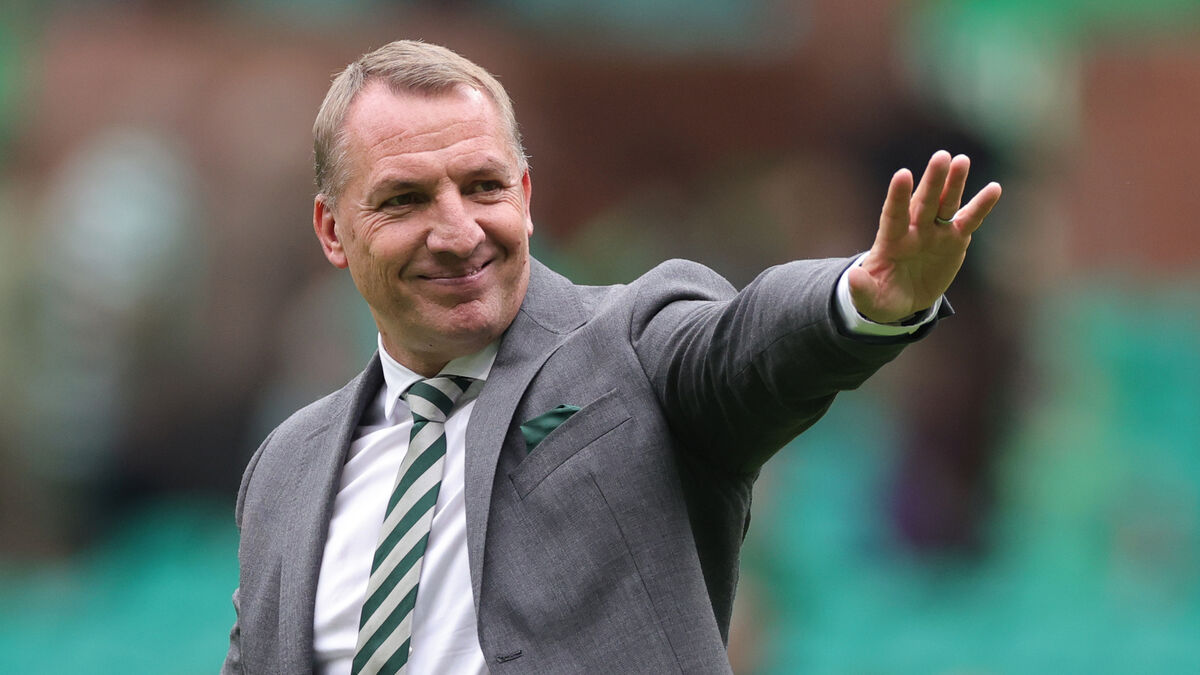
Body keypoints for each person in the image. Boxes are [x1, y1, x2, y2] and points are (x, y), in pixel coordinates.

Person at [222, 40, 1001, 674]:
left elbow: (744, 347)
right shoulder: (287, 467)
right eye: (406, 198)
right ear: (332, 230)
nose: (458, 232)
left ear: (526, 197)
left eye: (484, 186)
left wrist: (859, 301)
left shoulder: (634, 346)